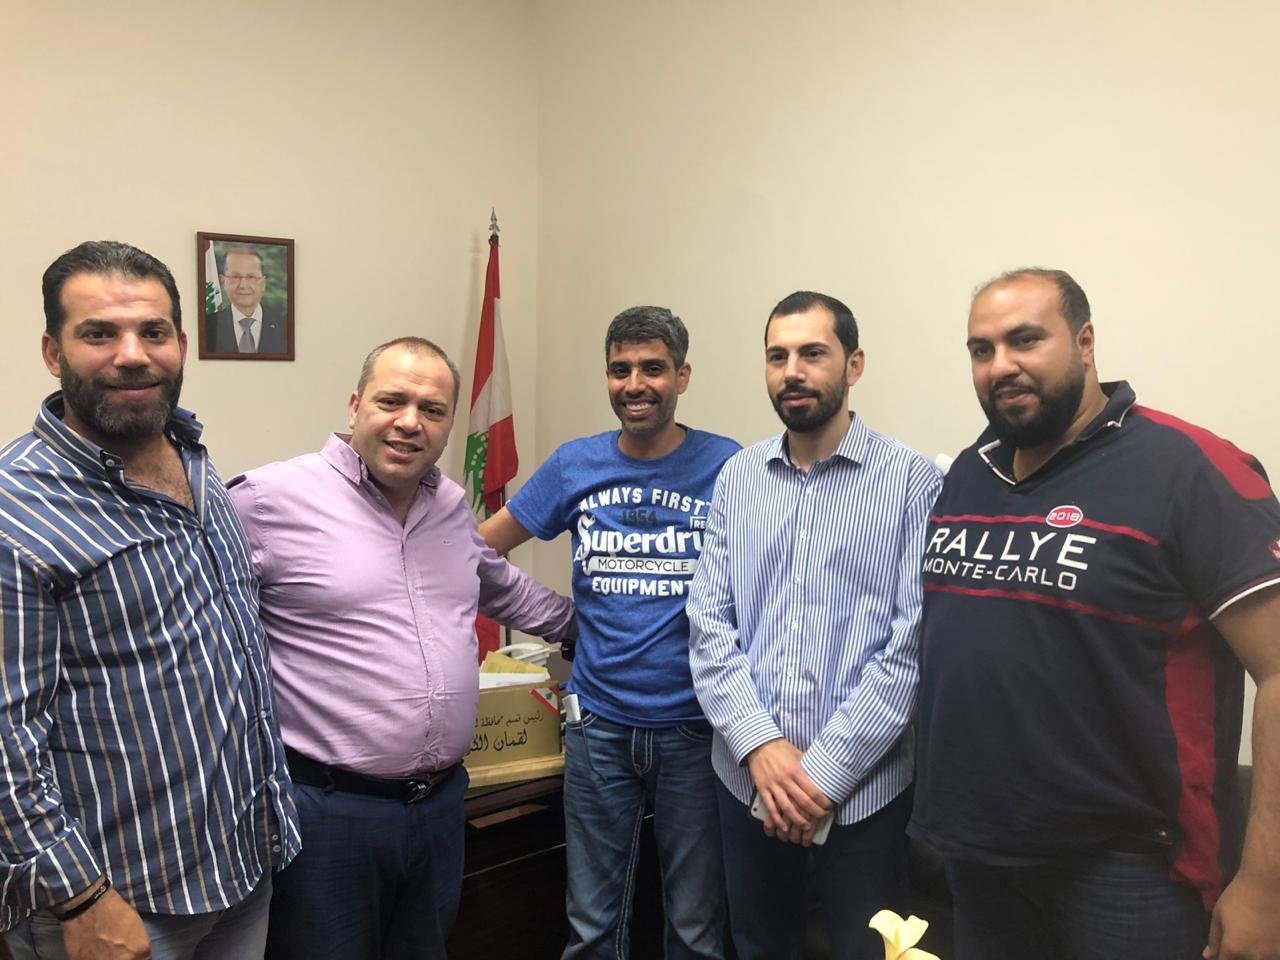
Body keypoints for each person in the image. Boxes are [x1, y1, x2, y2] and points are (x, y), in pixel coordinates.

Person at [909, 268, 1280, 960]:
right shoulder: (970, 471)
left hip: (1130, 867)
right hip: (978, 850)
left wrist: (1266, 883)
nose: (1000, 365)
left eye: (1025, 340)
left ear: (1085, 342)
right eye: (981, 350)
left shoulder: (1189, 467)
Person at [226, 336, 575, 960]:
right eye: (392, 401)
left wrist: (605, 630)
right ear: (355, 405)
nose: (410, 422)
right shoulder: (266, 501)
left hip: (440, 807)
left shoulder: (450, 506)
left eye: (432, 410)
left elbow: (504, 588)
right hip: (326, 813)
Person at [0, 241, 299, 960]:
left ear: (182, 344)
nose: (132, 355)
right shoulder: (16, 510)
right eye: (99, 333)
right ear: (53, 351)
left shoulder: (194, 459)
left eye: (153, 331)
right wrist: (80, 898)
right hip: (116, 902)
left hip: (239, 867)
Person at [686, 291, 942, 960]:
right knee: (758, 948)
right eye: (777, 357)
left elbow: (911, 648)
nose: (792, 372)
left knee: (875, 952)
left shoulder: (913, 482)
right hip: (749, 780)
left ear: (854, 365)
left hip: (865, 791)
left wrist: (821, 775)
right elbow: (709, 627)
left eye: (812, 354)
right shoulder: (737, 478)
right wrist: (761, 748)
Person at [480, 306, 738, 959]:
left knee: (696, 928)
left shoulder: (728, 466)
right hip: (598, 728)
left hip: (697, 731)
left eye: (653, 368)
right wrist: (558, 617)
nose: (635, 384)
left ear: (682, 376)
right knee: (592, 926)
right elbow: (475, 552)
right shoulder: (576, 465)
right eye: (621, 369)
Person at [206, 248, 287, 354]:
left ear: (263, 283)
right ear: (223, 281)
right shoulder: (208, 326)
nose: (243, 285)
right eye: (235, 277)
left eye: (251, 277)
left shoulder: (285, 326)